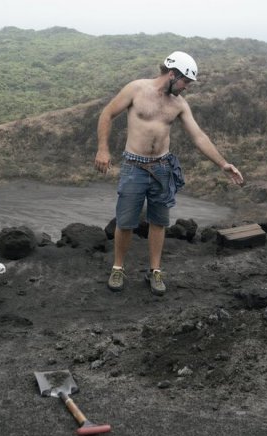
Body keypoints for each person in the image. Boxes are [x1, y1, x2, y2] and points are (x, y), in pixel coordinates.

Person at [94, 51, 244, 296]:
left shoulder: (179, 104)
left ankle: (155, 271)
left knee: (159, 222)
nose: (187, 88)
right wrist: (102, 148)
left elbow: (198, 136)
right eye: (186, 82)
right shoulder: (136, 89)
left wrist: (222, 164)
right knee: (125, 222)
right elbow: (107, 113)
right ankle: (118, 267)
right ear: (173, 74)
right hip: (133, 166)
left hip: (162, 169)